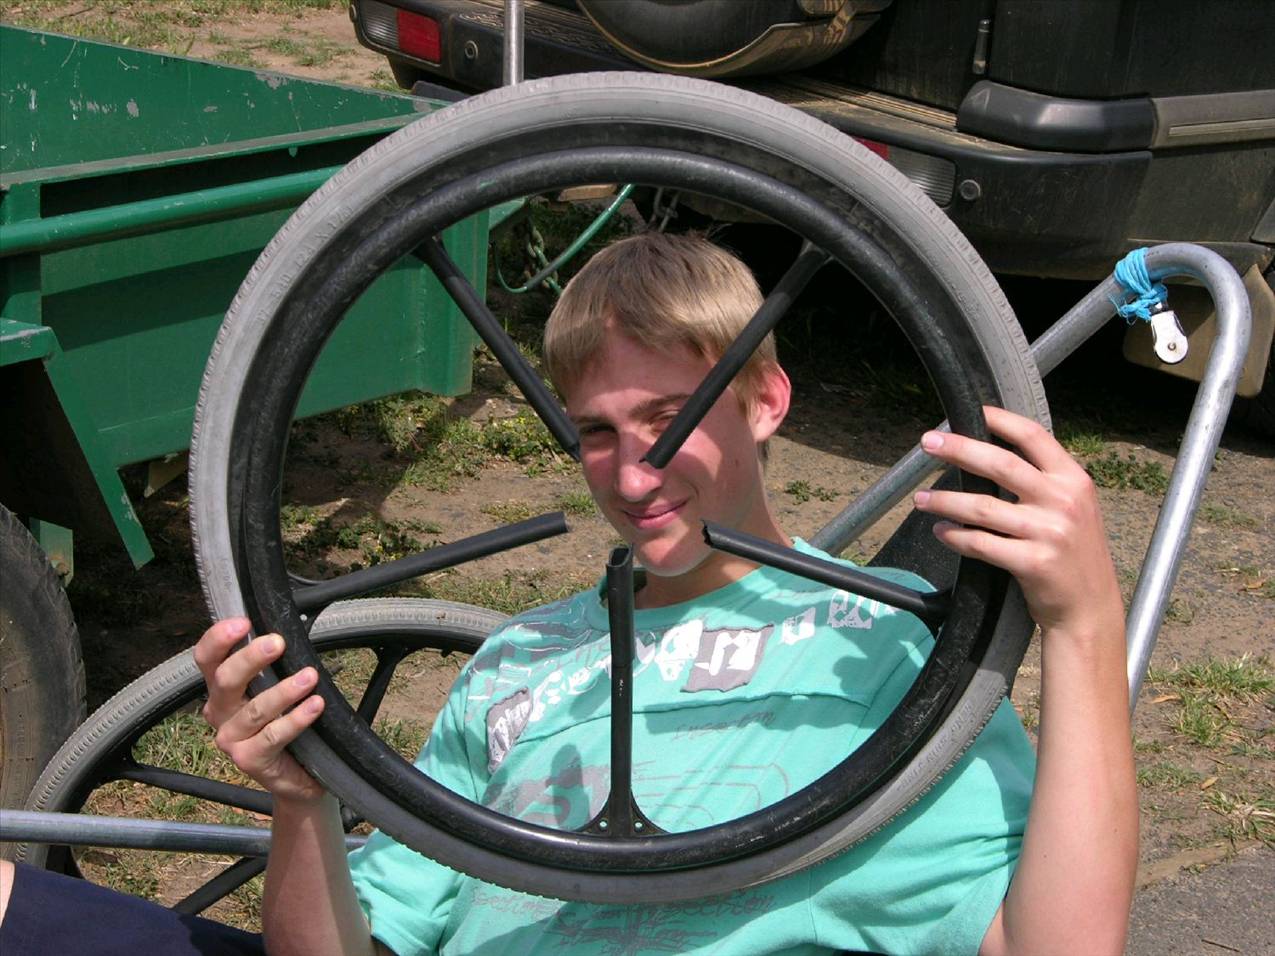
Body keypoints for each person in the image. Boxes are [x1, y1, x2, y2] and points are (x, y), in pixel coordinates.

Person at [0, 232, 1137, 955]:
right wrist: (303, 801)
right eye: (596, 431)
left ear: (767, 399)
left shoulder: (885, 651)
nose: (633, 475)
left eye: (671, 419)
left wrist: (1084, 626)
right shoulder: (517, 664)